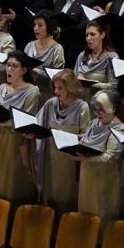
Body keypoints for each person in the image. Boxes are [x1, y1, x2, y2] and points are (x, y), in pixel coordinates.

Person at [0, 51, 42, 211]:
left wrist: (1, 125)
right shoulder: (2, 88)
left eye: (14, 66)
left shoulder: (32, 91)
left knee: (14, 184)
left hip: (16, 142)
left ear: (24, 70)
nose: (8, 69)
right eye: (7, 65)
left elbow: (26, 119)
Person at [33, 69, 90, 220]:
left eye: (60, 88)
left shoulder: (82, 107)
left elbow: (85, 135)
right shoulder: (51, 104)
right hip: (50, 157)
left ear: (70, 88)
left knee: (66, 195)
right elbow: (37, 123)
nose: (56, 91)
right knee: (49, 193)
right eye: (55, 87)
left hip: (69, 159)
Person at [75, 90, 124, 239]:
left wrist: (85, 159)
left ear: (114, 109)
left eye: (102, 110)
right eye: (96, 109)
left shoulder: (120, 129)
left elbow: (110, 157)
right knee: (86, 214)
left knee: (103, 216)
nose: (98, 113)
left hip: (106, 180)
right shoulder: (94, 123)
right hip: (88, 177)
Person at [53, 0, 99, 67]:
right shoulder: (60, 1)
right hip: (56, 44)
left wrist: (61, 31)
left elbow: (84, 27)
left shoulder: (90, 1)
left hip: (76, 45)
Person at [74, 20, 117, 102]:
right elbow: (74, 80)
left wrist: (90, 83)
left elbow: (113, 86)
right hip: (80, 103)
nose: (88, 38)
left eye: (92, 34)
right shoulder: (82, 56)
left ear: (102, 35)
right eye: (87, 35)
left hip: (99, 105)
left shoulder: (112, 58)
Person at [24, 11, 65, 96]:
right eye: (34, 25)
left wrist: (38, 72)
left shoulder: (57, 49)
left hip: (47, 94)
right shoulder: (30, 45)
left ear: (49, 26)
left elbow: (58, 78)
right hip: (28, 92)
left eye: (40, 25)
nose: (36, 28)